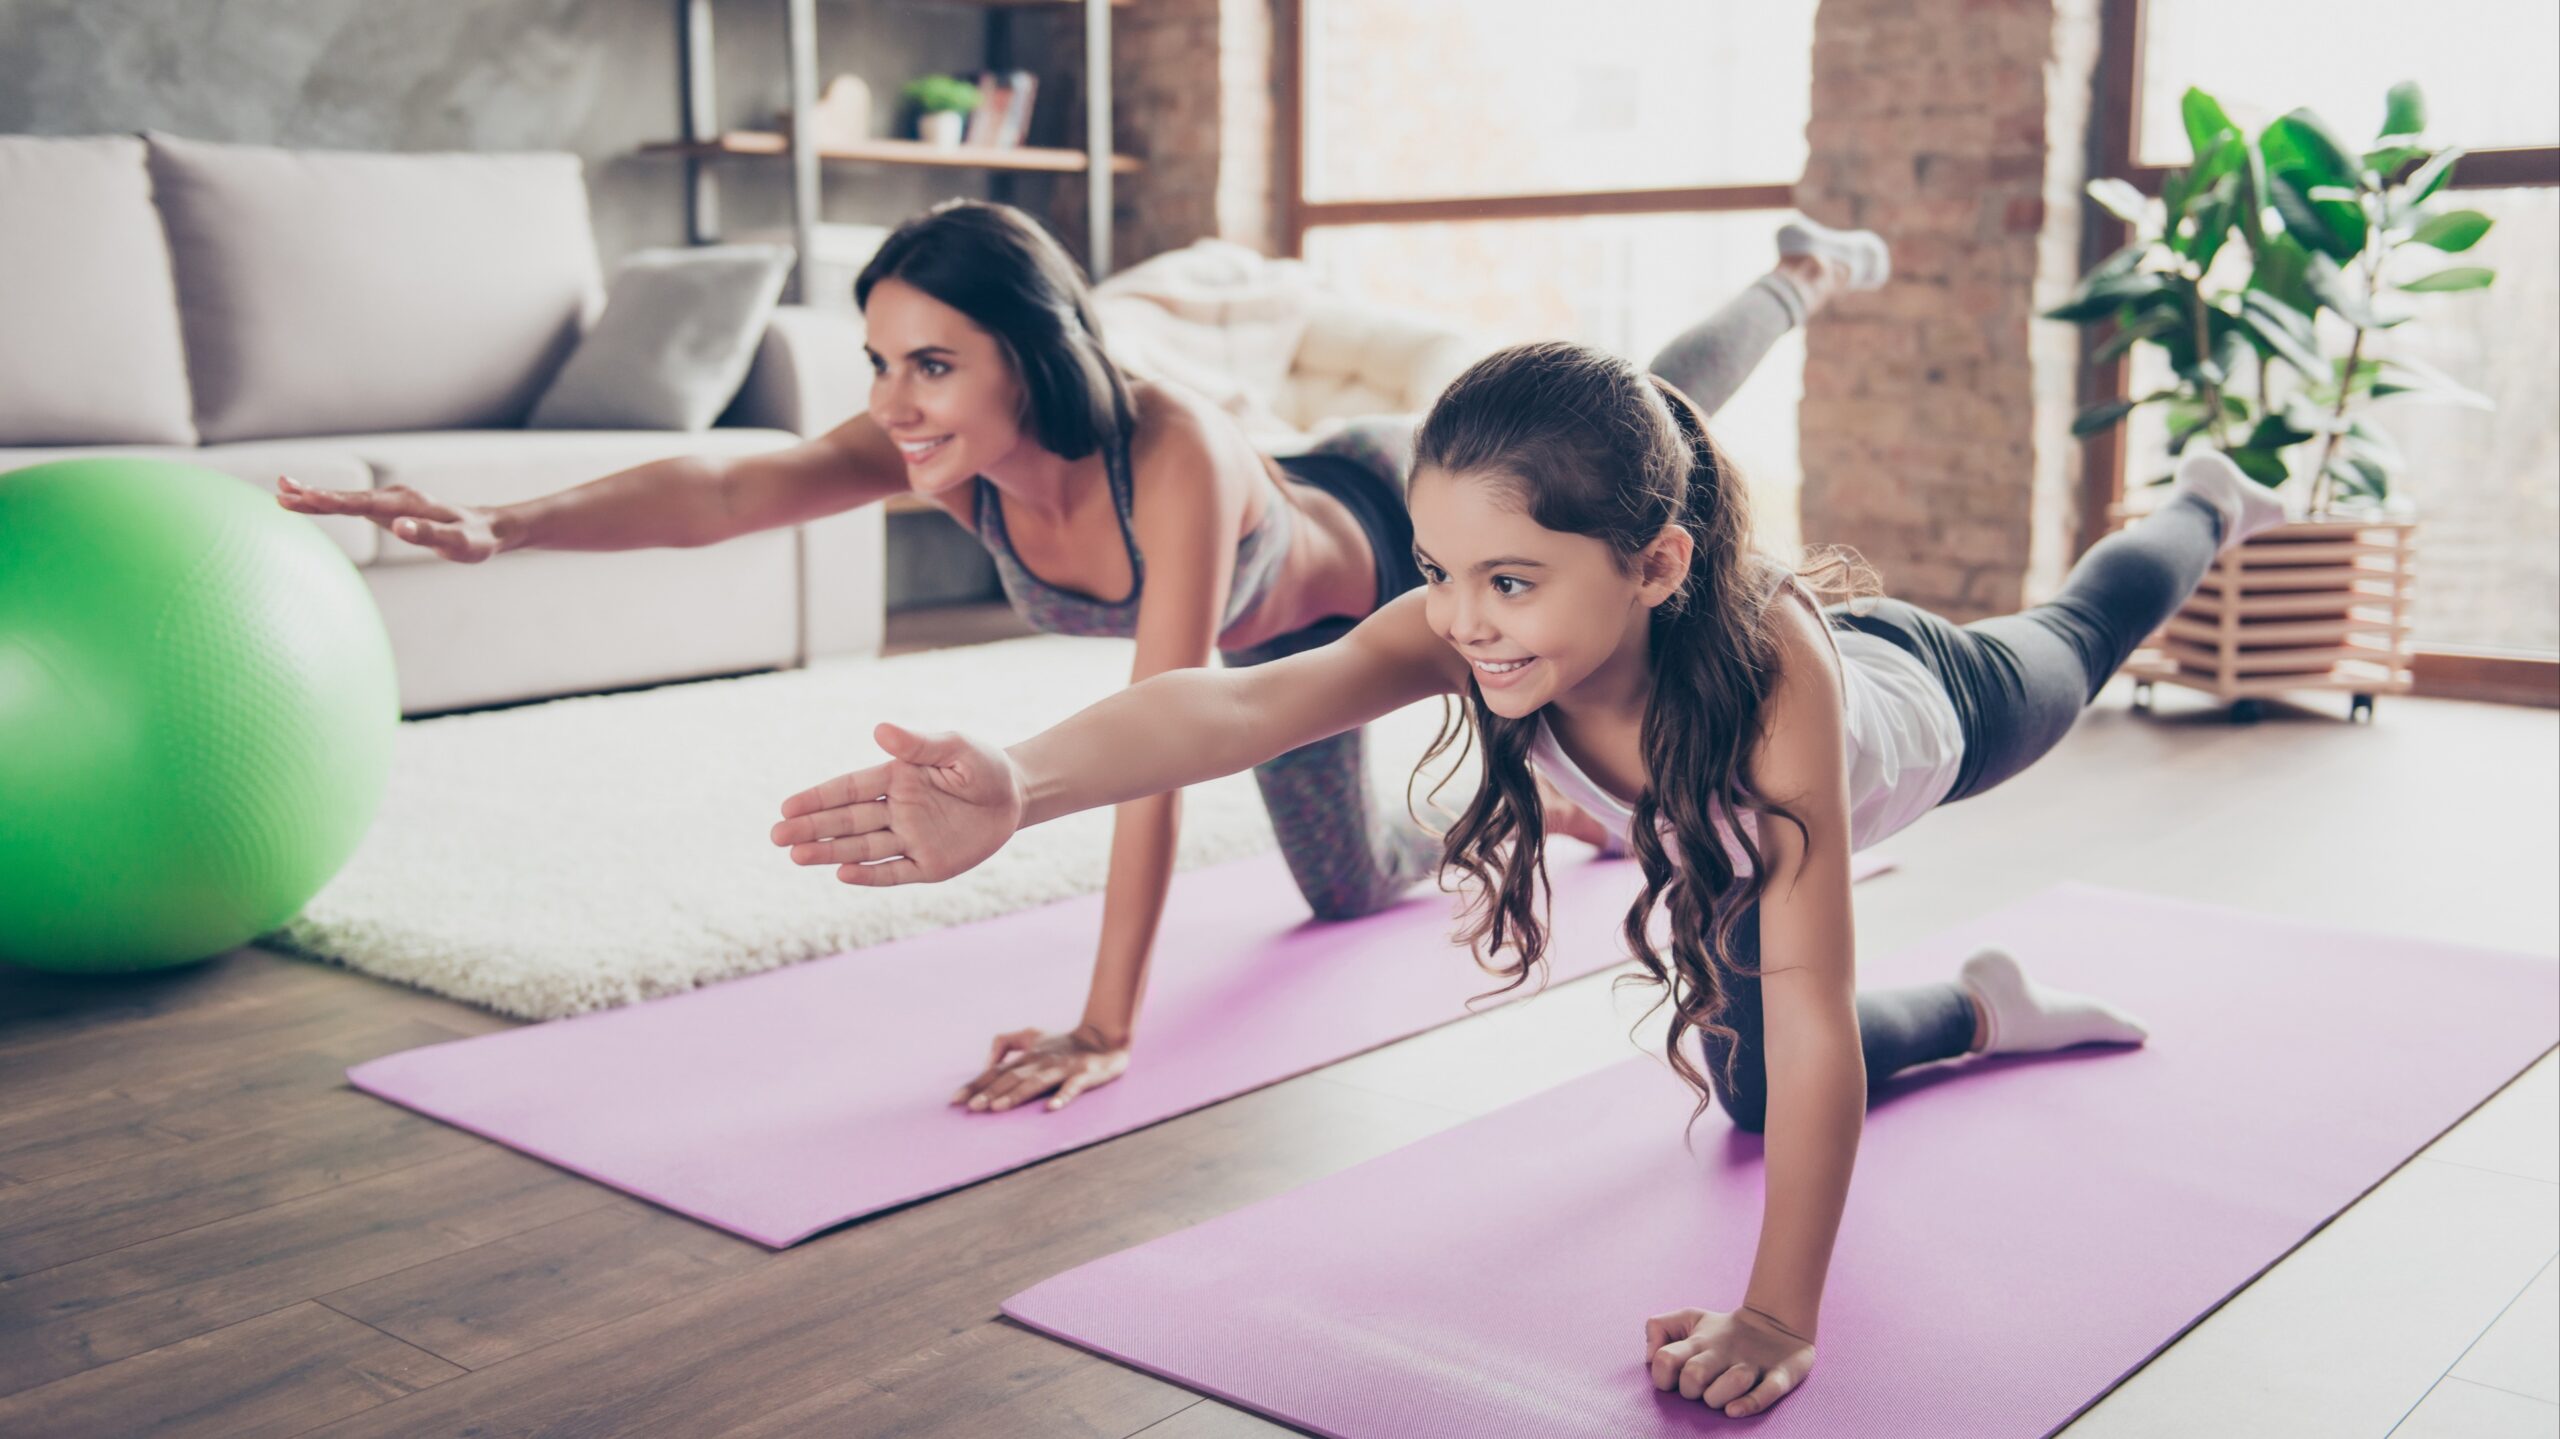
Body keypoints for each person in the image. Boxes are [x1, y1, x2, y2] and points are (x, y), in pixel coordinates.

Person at [766, 338, 2287, 1417]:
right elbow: (1238, 702)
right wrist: (1023, 781)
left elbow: (1811, 1000)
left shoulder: (1773, 695)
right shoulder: (1469, 622)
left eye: (1509, 582)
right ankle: (1979, 1012)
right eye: (1438, 570)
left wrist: (1776, 1311)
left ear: (1657, 566)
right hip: (1724, 837)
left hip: (1920, 714)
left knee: (2077, 646)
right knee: (1752, 1099)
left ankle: (2207, 501)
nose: (1464, 621)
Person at [279, 197, 1889, 1118]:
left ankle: (1795, 273)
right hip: (1300, 661)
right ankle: (1559, 783)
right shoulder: (945, 448)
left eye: (931, 362)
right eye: (879, 364)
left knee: (1656, 414)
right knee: (1349, 888)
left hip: (1358, 557)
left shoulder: (1165, 450)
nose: (896, 398)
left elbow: (1169, 729)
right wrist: (510, 524)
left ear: (1027, 355)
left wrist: (1109, 1019)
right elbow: (728, 481)